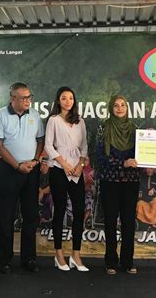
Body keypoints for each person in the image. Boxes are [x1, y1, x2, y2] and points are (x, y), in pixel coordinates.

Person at [0, 82, 44, 274]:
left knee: (31, 216)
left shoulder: (35, 115)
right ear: (12, 98)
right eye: (23, 97)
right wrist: (17, 165)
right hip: (10, 170)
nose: (28, 101)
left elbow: (40, 141)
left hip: (31, 170)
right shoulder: (0, 115)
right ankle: (4, 260)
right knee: (6, 215)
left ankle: (28, 259)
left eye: (30, 97)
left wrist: (35, 161)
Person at [45, 86, 89, 272]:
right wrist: (65, 165)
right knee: (60, 210)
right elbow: (48, 146)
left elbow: (85, 146)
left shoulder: (80, 122)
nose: (68, 101)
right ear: (58, 101)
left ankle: (76, 255)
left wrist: (79, 166)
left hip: (77, 171)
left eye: (71, 98)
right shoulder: (53, 120)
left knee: (79, 211)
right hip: (58, 169)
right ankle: (59, 254)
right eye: (64, 98)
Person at [96, 95, 139, 275]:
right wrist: (123, 163)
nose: (120, 108)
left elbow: (142, 153)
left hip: (131, 182)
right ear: (110, 108)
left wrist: (151, 140)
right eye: (116, 105)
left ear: (127, 108)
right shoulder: (103, 128)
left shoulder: (135, 129)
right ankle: (111, 262)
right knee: (111, 222)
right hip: (110, 181)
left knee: (129, 223)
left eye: (123, 105)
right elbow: (100, 156)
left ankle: (127, 261)